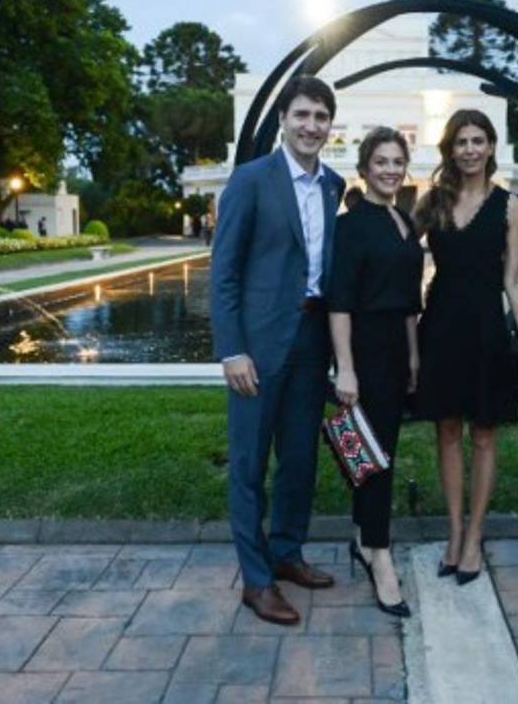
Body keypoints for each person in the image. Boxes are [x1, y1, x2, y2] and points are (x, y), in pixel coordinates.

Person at [210, 75, 346, 626]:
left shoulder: (334, 184)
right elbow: (224, 273)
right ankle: (257, 581)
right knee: (248, 465)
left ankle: (286, 553)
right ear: (285, 120)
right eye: (303, 115)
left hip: (313, 340)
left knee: (300, 460)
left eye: (321, 117)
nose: (311, 126)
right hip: (258, 345)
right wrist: (231, 350)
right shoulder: (250, 180)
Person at [413, 109, 518, 586]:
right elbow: (398, 247)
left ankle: (475, 535)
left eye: (477, 140)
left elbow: (514, 279)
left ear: (490, 146)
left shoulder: (509, 207)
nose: (469, 149)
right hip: (440, 326)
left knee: (483, 434)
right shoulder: (434, 202)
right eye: (461, 141)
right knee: (446, 431)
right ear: (450, 148)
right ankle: (454, 530)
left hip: (486, 330)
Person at [328, 127, 423, 617]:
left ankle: (361, 536)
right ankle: (380, 556)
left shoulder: (404, 221)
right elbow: (339, 302)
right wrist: (345, 368)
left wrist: (412, 356)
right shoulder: (350, 225)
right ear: (364, 169)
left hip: (395, 348)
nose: (390, 169)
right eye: (380, 161)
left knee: (374, 448)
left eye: (396, 161)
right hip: (363, 348)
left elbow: (410, 301)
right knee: (373, 453)